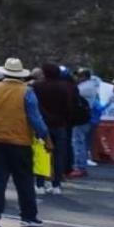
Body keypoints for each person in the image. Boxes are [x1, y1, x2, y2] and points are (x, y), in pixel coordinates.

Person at [0, 58, 51, 227]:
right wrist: (46, 138)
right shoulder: (27, 92)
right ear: (21, 75)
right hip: (20, 142)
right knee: (24, 181)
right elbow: (35, 119)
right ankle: (28, 216)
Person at [32, 63, 76, 195]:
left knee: (41, 155)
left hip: (42, 124)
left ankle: (40, 184)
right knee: (58, 155)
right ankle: (56, 184)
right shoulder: (65, 87)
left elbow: (34, 105)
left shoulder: (37, 86)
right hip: (60, 124)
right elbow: (69, 107)